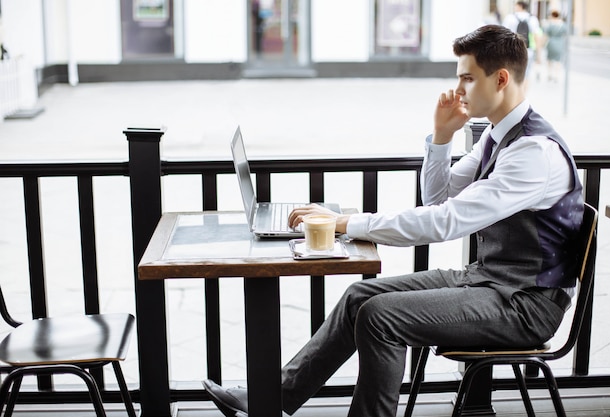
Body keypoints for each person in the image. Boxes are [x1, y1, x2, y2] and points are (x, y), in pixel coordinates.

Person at [203, 24, 584, 417]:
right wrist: (441, 138)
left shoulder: (532, 153)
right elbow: (438, 196)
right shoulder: (496, 137)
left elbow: (443, 222)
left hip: (525, 306)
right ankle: (275, 398)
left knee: (380, 316)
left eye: (467, 78)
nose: (458, 90)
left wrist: (345, 223)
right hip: (489, 281)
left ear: (500, 79)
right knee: (359, 298)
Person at [502, 1, 543, 84]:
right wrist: (539, 53)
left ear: (520, 6)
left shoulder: (510, 18)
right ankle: (523, 95)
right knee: (526, 75)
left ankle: (514, 95)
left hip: (512, 50)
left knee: (511, 73)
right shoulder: (533, 19)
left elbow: (503, 35)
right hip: (528, 50)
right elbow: (537, 37)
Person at [543, 10, 568, 82]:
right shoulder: (562, 24)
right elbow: (565, 34)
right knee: (558, 60)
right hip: (560, 43)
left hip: (551, 42)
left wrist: (542, 44)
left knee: (549, 59)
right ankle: (556, 75)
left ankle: (550, 74)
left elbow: (546, 35)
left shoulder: (550, 24)